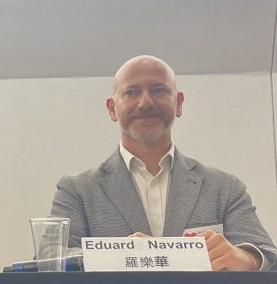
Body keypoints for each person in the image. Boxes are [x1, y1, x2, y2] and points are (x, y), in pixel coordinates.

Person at [51, 54, 277, 271]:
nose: (146, 103)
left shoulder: (225, 188)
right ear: (112, 108)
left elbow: (268, 256)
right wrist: (117, 254)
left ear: (179, 103)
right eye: (131, 92)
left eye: (158, 90)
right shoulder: (76, 191)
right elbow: (51, 259)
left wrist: (243, 258)